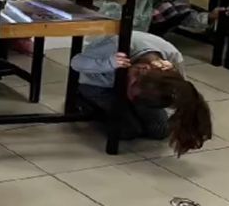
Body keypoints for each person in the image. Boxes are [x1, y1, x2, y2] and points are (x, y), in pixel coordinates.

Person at [71, 31, 211, 155]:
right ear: (141, 69)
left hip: (143, 91)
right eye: (131, 87)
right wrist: (108, 63)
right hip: (99, 86)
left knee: (160, 130)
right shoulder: (116, 46)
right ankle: (85, 102)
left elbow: (178, 88)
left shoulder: (172, 57)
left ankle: (130, 108)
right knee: (127, 130)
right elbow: (76, 62)